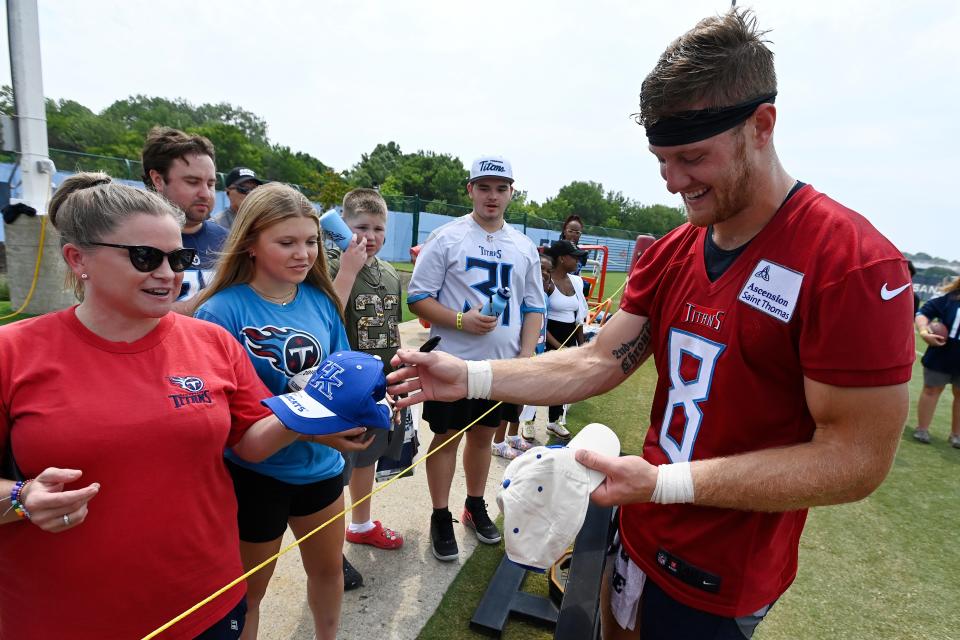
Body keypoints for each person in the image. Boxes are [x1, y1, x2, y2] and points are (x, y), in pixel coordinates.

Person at [388, 10, 914, 639]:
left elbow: (856, 459)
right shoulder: (675, 249)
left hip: (721, 568)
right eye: (661, 159)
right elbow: (597, 359)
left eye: (691, 156)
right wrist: (470, 375)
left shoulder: (851, 263)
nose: (672, 181)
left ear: (762, 125)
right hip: (639, 524)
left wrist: (666, 483)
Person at [0, 173, 361, 640]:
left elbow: (251, 443)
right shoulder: (13, 352)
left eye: (179, 258)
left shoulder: (211, 342)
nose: (168, 274)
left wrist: (321, 406)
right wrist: (19, 498)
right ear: (77, 259)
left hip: (207, 602)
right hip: (66, 617)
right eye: (145, 257)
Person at [194, 183, 371, 640]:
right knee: (249, 594)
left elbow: (340, 376)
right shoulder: (219, 314)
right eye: (286, 242)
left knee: (329, 572)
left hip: (323, 473)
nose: (303, 254)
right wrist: (318, 432)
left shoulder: (319, 300)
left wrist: (366, 410)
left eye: (310, 241)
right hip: (257, 479)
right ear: (249, 243)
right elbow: (233, 425)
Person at [406, 155, 545, 561]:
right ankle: (438, 513)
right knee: (446, 438)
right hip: (452, 362)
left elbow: (534, 306)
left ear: (511, 193)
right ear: (470, 190)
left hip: (500, 367)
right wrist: (461, 321)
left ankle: (474, 502)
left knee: (484, 437)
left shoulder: (523, 246)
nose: (492, 196)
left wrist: (524, 355)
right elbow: (417, 297)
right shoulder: (448, 237)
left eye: (501, 188)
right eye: (484, 187)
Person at [326, 188, 406, 568]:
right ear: (343, 226)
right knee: (335, 466)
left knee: (367, 458)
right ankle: (327, 546)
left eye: (378, 228)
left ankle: (360, 524)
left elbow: (392, 328)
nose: (370, 236)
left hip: (380, 383)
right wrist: (348, 269)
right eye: (361, 227)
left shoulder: (389, 273)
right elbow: (325, 318)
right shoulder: (328, 266)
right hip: (341, 387)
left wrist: (400, 368)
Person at [141, 126, 226, 311]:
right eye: (192, 182)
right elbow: (132, 314)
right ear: (158, 180)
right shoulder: (131, 242)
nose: (206, 194)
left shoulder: (229, 242)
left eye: (211, 184)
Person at [543, 239, 590, 439]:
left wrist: (582, 346)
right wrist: (558, 347)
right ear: (562, 259)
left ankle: (554, 421)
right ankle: (526, 421)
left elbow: (578, 318)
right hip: (548, 338)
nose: (578, 260)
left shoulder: (577, 282)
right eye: (574, 256)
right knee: (538, 382)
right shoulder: (546, 281)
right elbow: (540, 321)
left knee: (563, 383)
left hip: (569, 338)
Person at [911, 276, 960, 447]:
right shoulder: (949, 297)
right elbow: (922, 314)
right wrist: (924, 332)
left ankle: (957, 435)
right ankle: (922, 429)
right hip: (942, 353)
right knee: (932, 389)